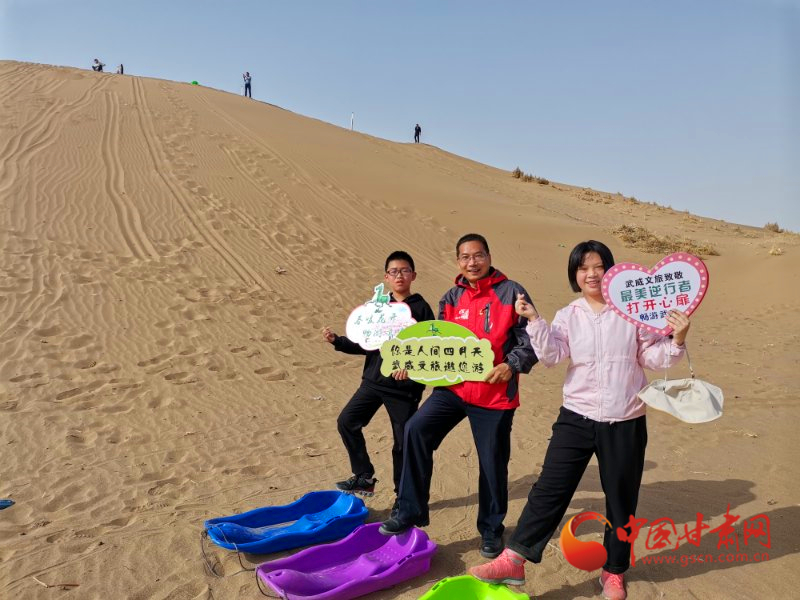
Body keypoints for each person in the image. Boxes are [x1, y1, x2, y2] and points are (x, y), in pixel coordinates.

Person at [468, 240, 691, 600]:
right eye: (583, 268)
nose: (591, 274)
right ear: (574, 274)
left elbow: (653, 358)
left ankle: (614, 571)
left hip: (625, 417)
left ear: (611, 271)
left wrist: (677, 338)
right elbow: (553, 356)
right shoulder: (568, 314)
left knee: (621, 498)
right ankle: (514, 559)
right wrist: (534, 321)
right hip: (576, 415)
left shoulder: (630, 312)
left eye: (599, 266)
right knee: (549, 489)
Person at [380, 234, 538, 559]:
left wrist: (511, 365)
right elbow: (439, 347)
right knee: (415, 430)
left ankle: (491, 530)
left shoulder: (513, 293)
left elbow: (531, 339)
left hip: (494, 395)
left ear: (489, 257)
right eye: (465, 257)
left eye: (478, 255)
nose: (472, 262)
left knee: (492, 462)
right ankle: (410, 509)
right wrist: (413, 363)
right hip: (453, 390)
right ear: (458, 262)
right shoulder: (451, 298)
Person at [322, 251, 435, 504]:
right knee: (347, 421)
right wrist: (338, 341)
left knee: (402, 443)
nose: (399, 276)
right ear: (386, 277)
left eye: (404, 271)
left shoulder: (421, 308)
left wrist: (410, 367)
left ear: (413, 275)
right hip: (373, 382)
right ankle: (364, 476)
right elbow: (365, 343)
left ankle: (402, 498)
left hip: (403, 389)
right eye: (394, 271)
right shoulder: (378, 307)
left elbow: (429, 349)